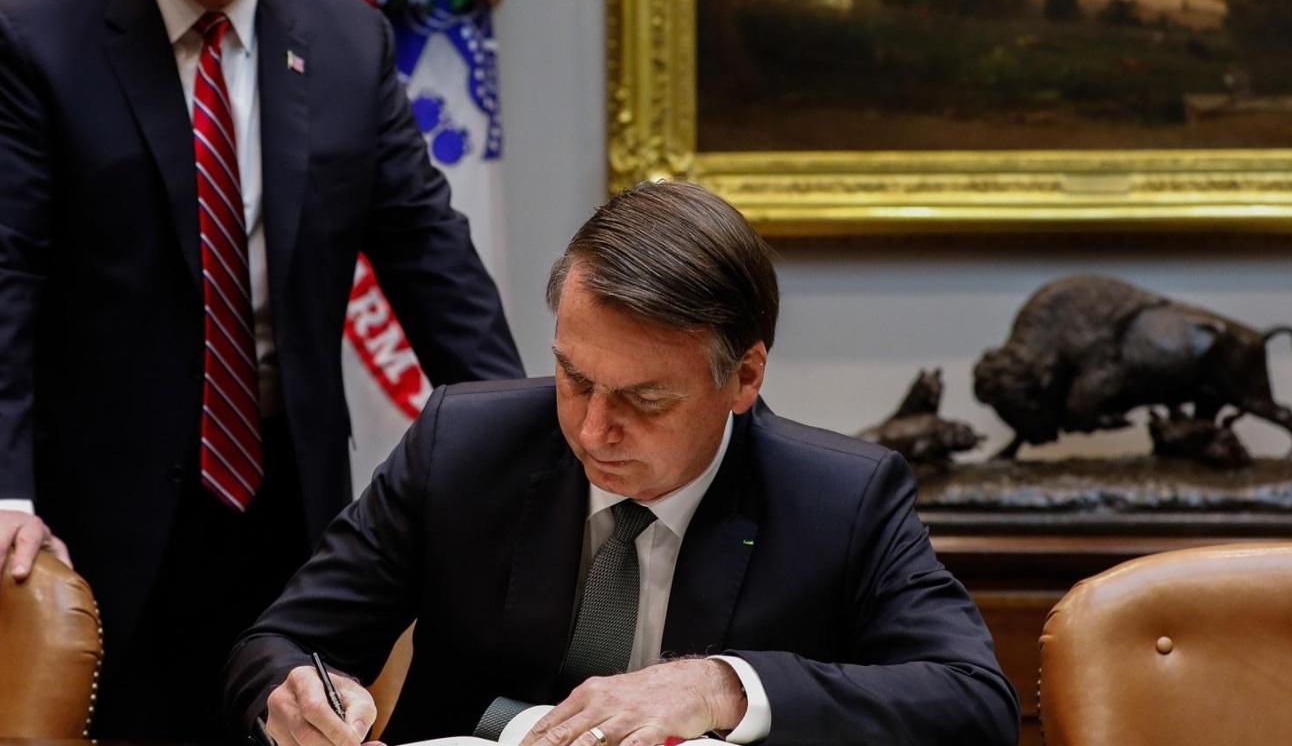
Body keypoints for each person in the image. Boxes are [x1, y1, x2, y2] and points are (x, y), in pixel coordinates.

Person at [0, 0, 522, 740]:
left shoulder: (346, 38)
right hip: (90, 515)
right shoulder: (30, 40)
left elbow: (432, 258)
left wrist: (526, 447)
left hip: (291, 507)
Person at [228, 181, 1020, 746]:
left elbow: (975, 702)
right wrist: (296, 698)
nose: (593, 429)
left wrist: (723, 684)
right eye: (574, 378)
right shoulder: (462, 446)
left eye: (645, 399)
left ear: (744, 376)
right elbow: (278, 645)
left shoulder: (838, 498)